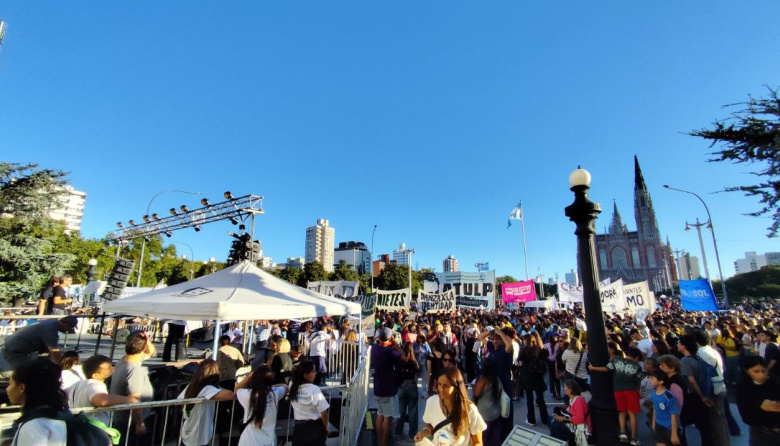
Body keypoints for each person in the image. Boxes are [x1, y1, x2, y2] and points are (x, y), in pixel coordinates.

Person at [414, 366, 486, 446]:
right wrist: (423, 433)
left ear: (456, 388)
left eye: (446, 386)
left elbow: (478, 442)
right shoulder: (431, 402)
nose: (440, 389)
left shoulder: (470, 409)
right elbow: (430, 426)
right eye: (439, 384)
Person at [588, 344, 643, 445]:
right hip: (631, 391)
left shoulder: (617, 361)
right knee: (632, 414)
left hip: (618, 390)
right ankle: (634, 438)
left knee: (621, 411)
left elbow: (606, 369)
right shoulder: (637, 366)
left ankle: (623, 432)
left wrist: (593, 368)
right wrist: (639, 391)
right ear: (637, 358)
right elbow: (639, 380)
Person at [7, 358, 70, 445]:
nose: (7, 389)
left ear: (21, 388)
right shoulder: (63, 415)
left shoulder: (34, 426)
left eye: (10, 384)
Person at [109, 330, 156, 446]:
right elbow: (134, 400)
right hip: (130, 422)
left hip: (122, 419)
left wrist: (146, 341)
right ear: (143, 348)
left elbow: (152, 353)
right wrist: (140, 423)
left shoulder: (123, 360)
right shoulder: (134, 370)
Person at [68, 355, 139, 426]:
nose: (113, 369)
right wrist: (130, 400)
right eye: (108, 368)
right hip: (94, 429)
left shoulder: (77, 384)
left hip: (79, 427)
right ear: (95, 375)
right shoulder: (95, 385)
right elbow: (101, 400)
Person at [177, 359, 235, 446]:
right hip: (199, 435)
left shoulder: (192, 386)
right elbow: (231, 395)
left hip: (188, 431)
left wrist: (189, 413)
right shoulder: (207, 389)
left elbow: (180, 400)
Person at [235, 365, 289, 446]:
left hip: (249, 441)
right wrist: (268, 387)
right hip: (269, 441)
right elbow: (285, 386)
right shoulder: (275, 393)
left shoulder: (248, 395)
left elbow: (236, 389)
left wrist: (249, 377)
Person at [2, 316, 78, 369]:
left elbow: (49, 349)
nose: (69, 330)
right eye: (70, 327)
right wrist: (62, 367)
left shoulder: (50, 323)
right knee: (26, 373)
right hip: (14, 351)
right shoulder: (50, 330)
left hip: (13, 346)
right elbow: (54, 352)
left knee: (38, 365)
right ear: (65, 323)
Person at [736, 355, 780, 444]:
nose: (761, 375)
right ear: (747, 371)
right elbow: (746, 417)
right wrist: (761, 409)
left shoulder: (774, 383)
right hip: (762, 434)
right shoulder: (744, 389)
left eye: (764, 371)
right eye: (756, 371)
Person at [371, 327, 402, 446]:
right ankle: (384, 443)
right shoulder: (388, 351)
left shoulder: (375, 348)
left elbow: (379, 342)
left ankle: (380, 442)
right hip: (388, 387)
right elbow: (402, 356)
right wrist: (396, 344)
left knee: (380, 414)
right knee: (388, 417)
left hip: (378, 386)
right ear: (390, 338)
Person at [289, 361, 330, 446]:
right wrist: (325, 427)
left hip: (299, 428)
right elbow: (324, 412)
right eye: (313, 371)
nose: (315, 373)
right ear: (305, 375)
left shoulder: (292, 385)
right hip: (315, 428)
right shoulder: (314, 389)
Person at [518, 332, 549, 427]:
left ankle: (531, 419)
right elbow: (545, 356)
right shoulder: (539, 348)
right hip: (538, 375)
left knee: (529, 399)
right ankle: (545, 419)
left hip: (527, 375)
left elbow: (521, 363)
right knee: (540, 398)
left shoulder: (523, 350)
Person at [549, 379, 591, 446]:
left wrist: (564, 418)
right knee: (551, 419)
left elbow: (580, 419)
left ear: (570, 390)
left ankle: (559, 441)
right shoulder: (572, 398)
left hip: (582, 430)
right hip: (575, 425)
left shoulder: (578, 401)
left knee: (555, 425)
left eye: (565, 387)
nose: (564, 388)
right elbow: (571, 411)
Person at [472, 359, 502, 446]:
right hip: (496, 412)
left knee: (484, 439)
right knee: (494, 439)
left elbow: (477, 393)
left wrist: (473, 387)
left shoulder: (483, 379)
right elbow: (499, 393)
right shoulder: (497, 379)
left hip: (483, 414)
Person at [649, 369, 681, 446]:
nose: (650, 380)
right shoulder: (653, 393)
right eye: (650, 377)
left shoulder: (668, 397)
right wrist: (653, 423)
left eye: (653, 378)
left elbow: (674, 415)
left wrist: (674, 434)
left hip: (670, 427)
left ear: (661, 382)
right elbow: (655, 408)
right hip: (659, 425)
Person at [396, 341, 420, 441]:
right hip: (411, 385)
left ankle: (399, 433)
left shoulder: (400, 361)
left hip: (401, 386)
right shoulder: (414, 362)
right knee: (413, 412)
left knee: (401, 411)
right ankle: (412, 435)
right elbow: (418, 374)